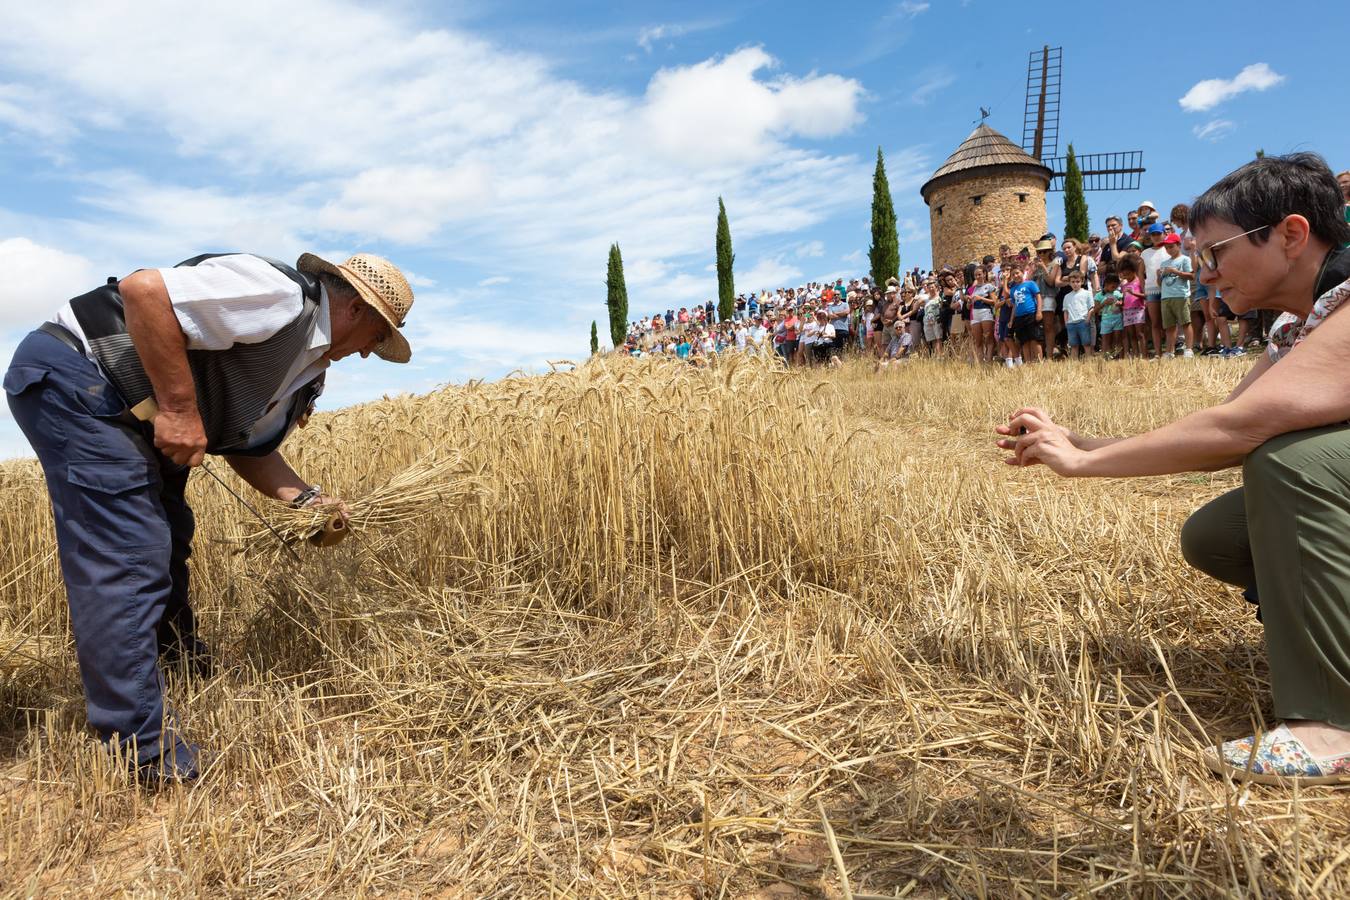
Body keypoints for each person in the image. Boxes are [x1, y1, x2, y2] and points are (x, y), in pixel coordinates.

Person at [998, 152, 1350, 786]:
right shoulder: (1303, 323)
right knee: (1219, 533)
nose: (1206, 274)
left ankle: (1334, 724)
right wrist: (1084, 442)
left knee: (1291, 466)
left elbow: (1243, 431)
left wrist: (1082, 465)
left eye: (1216, 254)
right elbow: (1230, 421)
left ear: (1292, 236)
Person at [4, 251, 415, 781]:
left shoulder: (305, 368)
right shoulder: (282, 297)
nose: (366, 356)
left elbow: (246, 444)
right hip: (82, 378)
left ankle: (176, 666)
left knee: (169, 540)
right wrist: (178, 410)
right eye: (377, 340)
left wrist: (307, 502)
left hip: (134, 409)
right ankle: (139, 749)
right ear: (358, 310)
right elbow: (144, 292)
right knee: (131, 553)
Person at [1158, 234, 1196, 357]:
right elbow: (1159, 284)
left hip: (1181, 295)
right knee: (1169, 326)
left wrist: (1176, 272)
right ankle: (1170, 351)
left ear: (1179, 245)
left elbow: (1192, 276)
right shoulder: (1164, 263)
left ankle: (1189, 349)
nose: (1169, 249)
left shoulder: (1185, 259)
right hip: (1166, 297)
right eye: (1167, 247)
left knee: (1185, 322)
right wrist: (1159, 276)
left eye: (1171, 246)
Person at [1117, 256, 1148, 358]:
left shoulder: (1139, 282)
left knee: (1140, 334)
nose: (1127, 277)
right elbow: (1124, 298)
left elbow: (1145, 295)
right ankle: (1135, 355)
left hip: (1138, 309)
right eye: (1124, 275)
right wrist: (1120, 303)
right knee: (1132, 335)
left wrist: (1134, 293)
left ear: (1134, 271)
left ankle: (1144, 355)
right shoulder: (1124, 285)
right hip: (1127, 311)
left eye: (1129, 274)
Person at [1061, 270, 1095, 359]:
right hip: (1071, 323)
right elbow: (1065, 311)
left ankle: (1089, 362)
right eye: (1072, 282)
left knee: (1086, 344)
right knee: (1073, 345)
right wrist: (1066, 323)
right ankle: (1074, 364)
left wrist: (1087, 319)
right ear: (1069, 283)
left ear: (1082, 282)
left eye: (1077, 281)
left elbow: (1091, 308)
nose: (1075, 284)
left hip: (1083, 322)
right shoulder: (1067, 296)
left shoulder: (1087, 293)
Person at [1095, 272, 1125, 359]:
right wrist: (1104, 303)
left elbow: (1122, 302)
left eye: (1116, 287)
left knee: (1118, 339)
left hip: (1117, 318)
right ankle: (1106, 358)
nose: (1114, 289)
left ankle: (1120, 358)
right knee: (1105, 340)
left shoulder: (1117, 293)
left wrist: (1120, 303)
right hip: (1106, 320)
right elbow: (1095, 310)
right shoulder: (1099, 295)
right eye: (1112, 287)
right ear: (1106, 284)